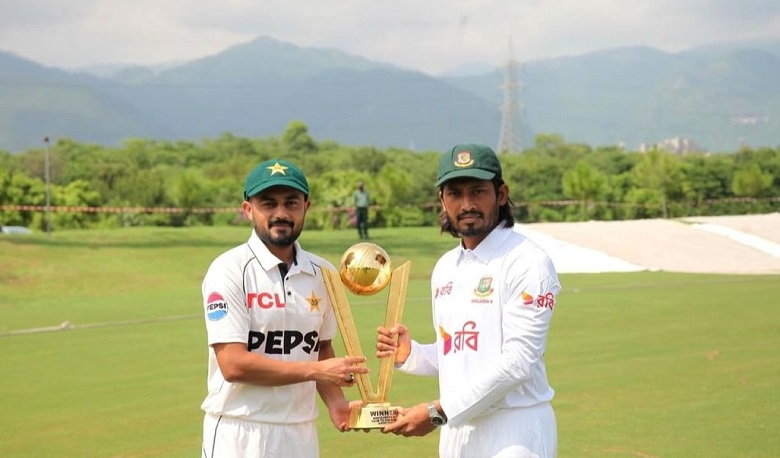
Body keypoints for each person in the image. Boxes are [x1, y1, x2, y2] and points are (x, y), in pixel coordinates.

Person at [376, 144, 561, 457]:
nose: (467, 204)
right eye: (455, 194)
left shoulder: (527, 261)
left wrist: (438, 411)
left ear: (501, 195)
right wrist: (413, 354)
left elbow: (518, 363)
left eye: (477, 192)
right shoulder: (446, 267)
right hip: (457, 433)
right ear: (442, 200)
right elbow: (461, 353)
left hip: (514, 431)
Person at [200, 158, 369, 458]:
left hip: (300, 433)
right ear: (248, 209)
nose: (281, 213)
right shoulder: (229, 269)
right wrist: (317, 370)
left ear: (306, 206)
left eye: (291, 203)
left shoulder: (324, 272)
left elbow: (319, 348)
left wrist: (336, 404)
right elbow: (234, 365)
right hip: (241, 432)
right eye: (268, 203)